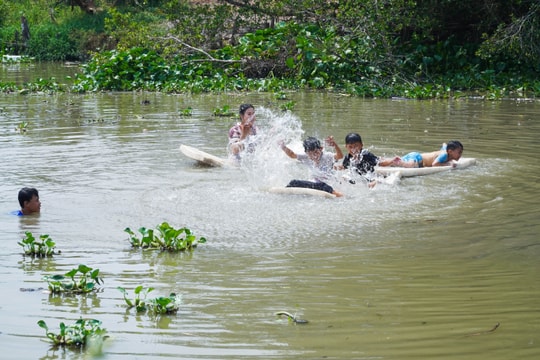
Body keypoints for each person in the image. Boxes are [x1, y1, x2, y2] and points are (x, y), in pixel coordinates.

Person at [391, 140, 464, 168]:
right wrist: (448, 164)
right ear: (450, 151)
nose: (460, 155)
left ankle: (383, 160)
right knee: (407, 165)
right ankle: (397, 161)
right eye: (459, 152)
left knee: (394, 163)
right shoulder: (444, 155)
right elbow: (434, 164)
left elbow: (444, 145)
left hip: (415, 156)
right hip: (418, 158)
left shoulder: (446, 151)